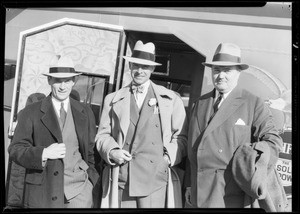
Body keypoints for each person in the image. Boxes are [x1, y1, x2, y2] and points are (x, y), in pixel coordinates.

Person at [184, 43, 285, 210]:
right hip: (197, 191)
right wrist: (189, 184)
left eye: (227, 70)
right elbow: (191, 146)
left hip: (229, 194)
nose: (221, 75)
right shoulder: (199, 103)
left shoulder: (253, 103)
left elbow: (273, 141)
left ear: (238, 73)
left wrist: (252, 162)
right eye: (216, 70)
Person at [95, 40, 187, 208]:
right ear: (130, 65)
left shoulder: (170, 99)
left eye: (145, 67)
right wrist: (112, 151)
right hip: (123, 178)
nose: (139, 71)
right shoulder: (113, 99)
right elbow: (102, 135)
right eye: (136, 65)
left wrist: (166, 159)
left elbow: (181, 137)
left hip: (155, 181)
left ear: (152, 68)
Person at [8, 56, 99, 208]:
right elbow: (15, 149)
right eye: (57, 80)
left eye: (67, 80)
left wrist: (90, 181)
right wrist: (43, 153)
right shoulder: (30, 113)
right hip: (42, 194)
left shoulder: (85, 112)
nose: (63, 86)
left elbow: (90, 153)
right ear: (49, 80)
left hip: (79, 194)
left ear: (74, 81)